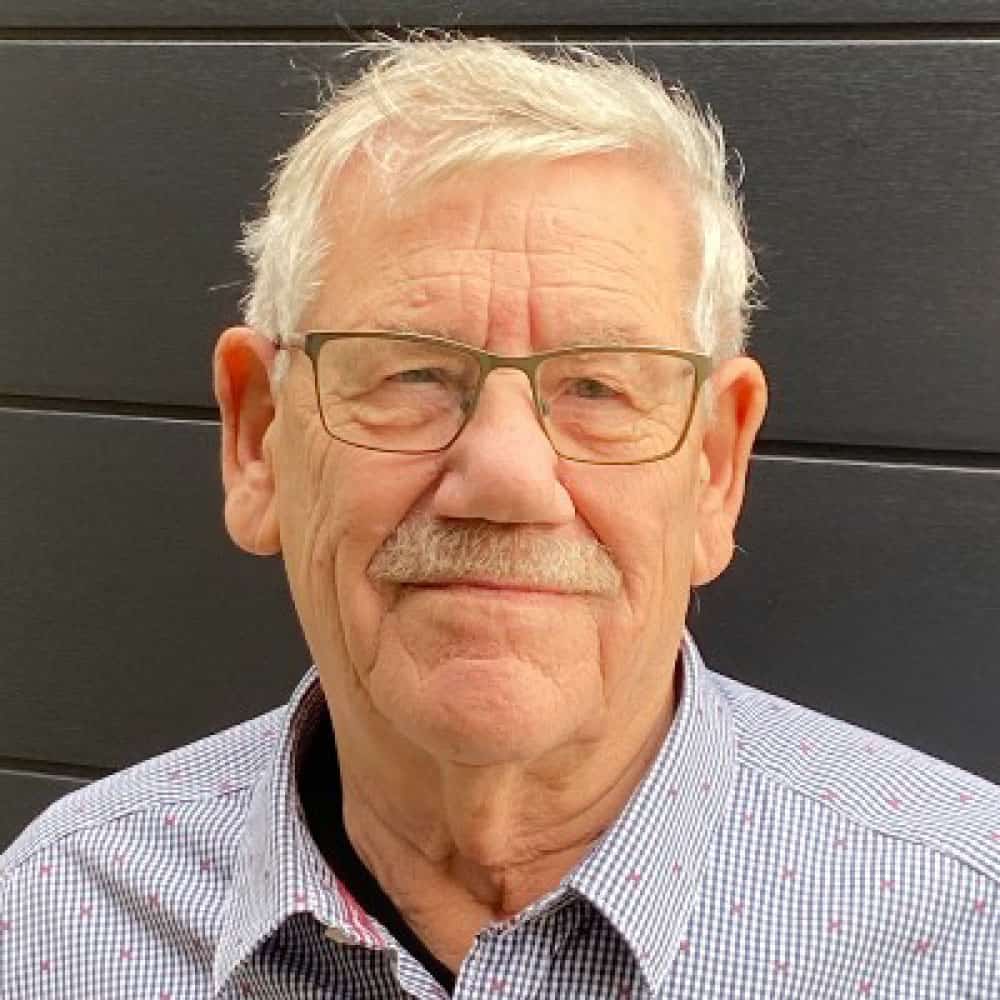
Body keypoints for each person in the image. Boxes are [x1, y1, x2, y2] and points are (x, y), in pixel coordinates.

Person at [1, 36, 997, 1000]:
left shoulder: (969, 929)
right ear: (259, 438)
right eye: (412, 373)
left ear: (714, 469)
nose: (508, 478)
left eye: (599, 387)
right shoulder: (55, 920)